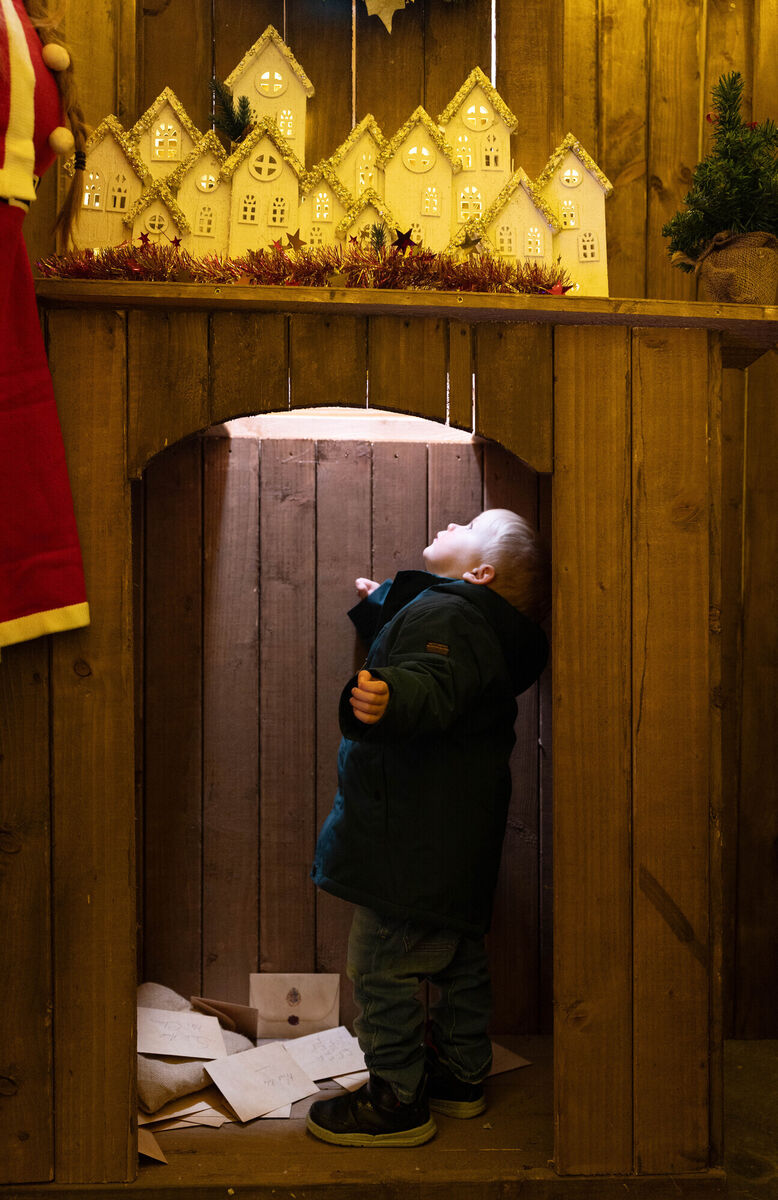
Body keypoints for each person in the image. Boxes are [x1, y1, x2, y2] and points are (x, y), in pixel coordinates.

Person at [307, 509, 550, 1147]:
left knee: (381, 963)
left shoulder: (452, 617)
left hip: (407, 835)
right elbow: (445, 659)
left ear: (480, 572)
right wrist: (383, 606)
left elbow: (433, 679)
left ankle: (396, 1101)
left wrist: (392, 693)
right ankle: (461, 1077)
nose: (451, 522)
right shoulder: (475, 623)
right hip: (452, 835)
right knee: (457, 954)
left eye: (470, 523)